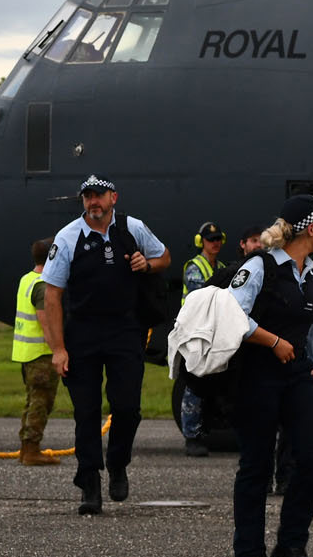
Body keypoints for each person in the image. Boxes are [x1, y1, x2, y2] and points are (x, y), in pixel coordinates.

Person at [40, 175, 170, 515]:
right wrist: (58, 348)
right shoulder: (68, 238)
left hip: (126, 331)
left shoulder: (133, 228)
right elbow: (51, 295)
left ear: (113, 197)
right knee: (86, 412)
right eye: (87, 197)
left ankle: (117, 463)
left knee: (127, 408)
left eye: (99, 196)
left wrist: (148, 263)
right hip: (82, 333)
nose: (93, 202)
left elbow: (164, 257)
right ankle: (89, 482)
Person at [226, 194, 313, 557]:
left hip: (296, 378)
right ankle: (249, 553)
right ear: (311, 228)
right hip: (257, 376)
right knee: (256, 464)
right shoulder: (259, 268)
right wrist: (272, 341)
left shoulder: (312, 275)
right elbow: (233, 317)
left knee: (312, 455)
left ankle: (291, 543)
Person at [179, 222, 227, 457]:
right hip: (195, 334)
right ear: (201, 243)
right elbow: (204, 295)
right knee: (194, 386)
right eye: (210, 240)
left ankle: (207, 428)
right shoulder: (194, 268)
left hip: (216, 332)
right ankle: (191, 436)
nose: (215, 243)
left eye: (218, 238)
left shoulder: (223, 267)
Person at [14, 237, 60, 466]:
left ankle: (26, 448)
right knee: (41, 402)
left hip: (26, 354)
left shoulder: (27, 279)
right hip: (41, 355)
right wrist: (59, 351)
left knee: (32, 400)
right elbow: (46, 322)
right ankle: (32, 450)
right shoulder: (43, 284)